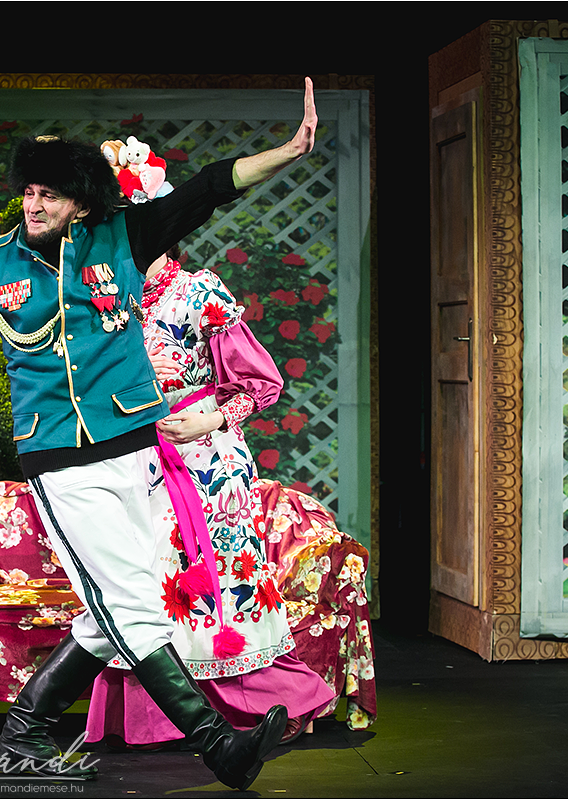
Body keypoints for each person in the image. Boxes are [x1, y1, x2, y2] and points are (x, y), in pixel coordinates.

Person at [0, 77, 318, 788]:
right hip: (60, 463)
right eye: (28, 191)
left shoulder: (121, 237)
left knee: (112, 614)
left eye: (48, 193)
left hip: (133, 450)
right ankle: (219, 748)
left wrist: (289, 150)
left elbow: (208, 188)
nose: (33, 203)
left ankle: (24, 734)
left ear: (80, 199)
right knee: (132, 608)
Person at [82, 246, 338, 750]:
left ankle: (262, 705)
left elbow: (260, 382)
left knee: (219, 583)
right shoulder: (106, 299)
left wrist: (213, 418)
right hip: (135, 455)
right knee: (143, 582)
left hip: (206, 458)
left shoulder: (199, 291)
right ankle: (159, 718)